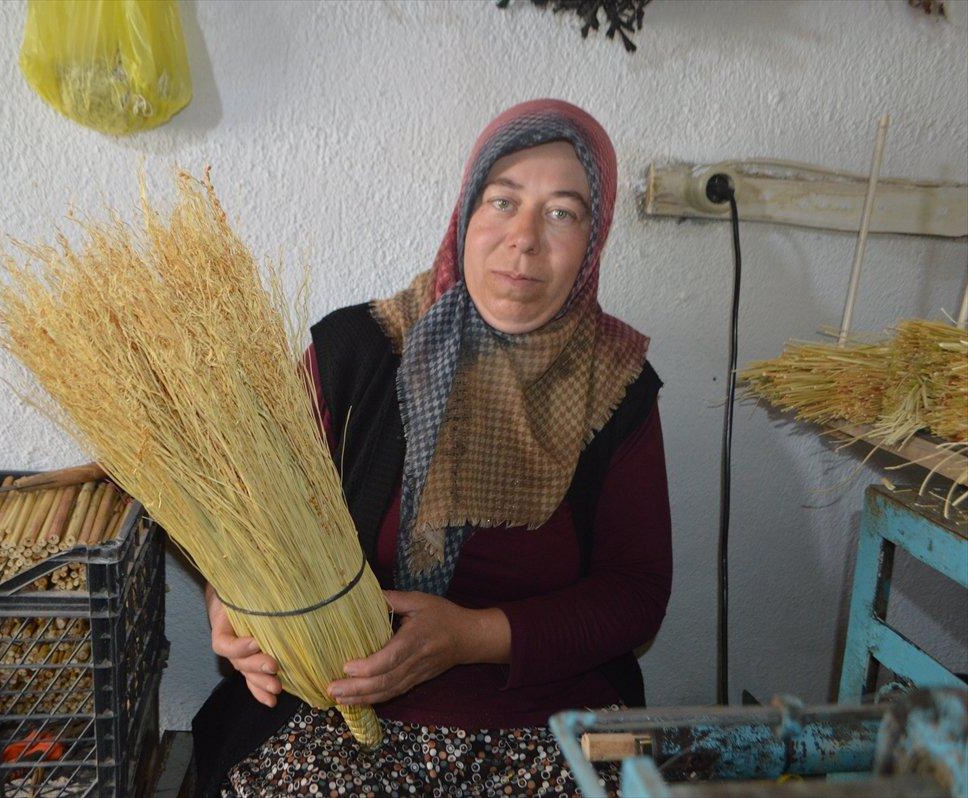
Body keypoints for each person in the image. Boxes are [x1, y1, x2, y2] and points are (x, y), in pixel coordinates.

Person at [191, 99, 672, 797]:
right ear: (465, 214)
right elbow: (245, 521)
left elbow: (636, 595)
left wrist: (472, 635)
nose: (525, 239)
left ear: (593, 241)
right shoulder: (355, 354)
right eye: (503, 202)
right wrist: (229, 609)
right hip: (339, 709)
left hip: (543, 718)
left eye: (562, 213)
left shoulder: (618, 385)